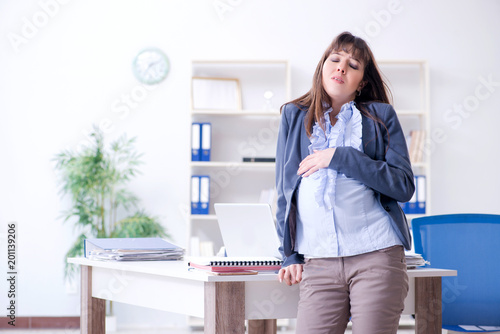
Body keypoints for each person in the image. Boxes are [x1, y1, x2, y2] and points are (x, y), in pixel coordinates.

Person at [275, 31, 415, 334]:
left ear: (362, 82)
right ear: (323, 66)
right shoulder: (293, 115)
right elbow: (285, 191)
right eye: (335, 59)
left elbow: (402, 185)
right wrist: (289, 252)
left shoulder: (380, 117)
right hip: (318, 260)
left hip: (376, 255)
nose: (341, 67)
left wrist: (340, 156)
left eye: (353, 65)